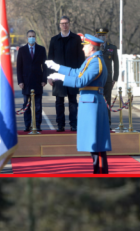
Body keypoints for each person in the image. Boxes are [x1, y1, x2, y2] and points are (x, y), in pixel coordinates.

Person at [46, 34, 112, 174]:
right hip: (89, 104)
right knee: (93, 145)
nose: (82, 49)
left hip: (92, 105)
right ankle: (98, 171)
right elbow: (77, 72)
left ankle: (100, 173)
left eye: (85, 46)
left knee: (97, 145)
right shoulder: (91, 61)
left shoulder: (96, 62)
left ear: (92, 47)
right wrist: (57, 67)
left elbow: (80, 81)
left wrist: (59, 77)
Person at [47, 16, 83, 132]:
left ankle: (73, 124)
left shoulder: (76, 39)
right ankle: (60, 124)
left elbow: (80, 58)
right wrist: (50, 76)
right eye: (62, 23)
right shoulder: (54, 40)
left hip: (72, 74)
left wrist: (80, 74)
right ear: (59, 25)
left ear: (69, 24)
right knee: (59, 102)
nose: (64, 25)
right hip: (58, 75)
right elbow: (50, 59)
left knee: (73, 101)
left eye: (66, 23)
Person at [16, 30, 47, 133]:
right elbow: (19, 67)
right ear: (27, 37)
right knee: (26, 105)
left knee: (38, 106)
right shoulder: (22, 50)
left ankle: (37, 125)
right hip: (26, 82)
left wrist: (44, 79)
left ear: (35, 37)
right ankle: (27, 125)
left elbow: (45, 66)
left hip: (38, 81)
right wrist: (20, 81)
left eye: (33, 36)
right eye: (29, 36)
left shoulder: (41, 50)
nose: (31, 38)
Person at [94, 28, 119, 130]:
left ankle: (107, 122)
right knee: (97, 100)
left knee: (107, 101)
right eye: (99, 35)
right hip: (97, 78)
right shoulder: (95, 47)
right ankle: (97, 121)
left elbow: (116, 63)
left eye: (103, 35)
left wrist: (115, 78)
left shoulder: (112, 48)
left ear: (106, 36)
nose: (102, 37)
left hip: (108, 79)